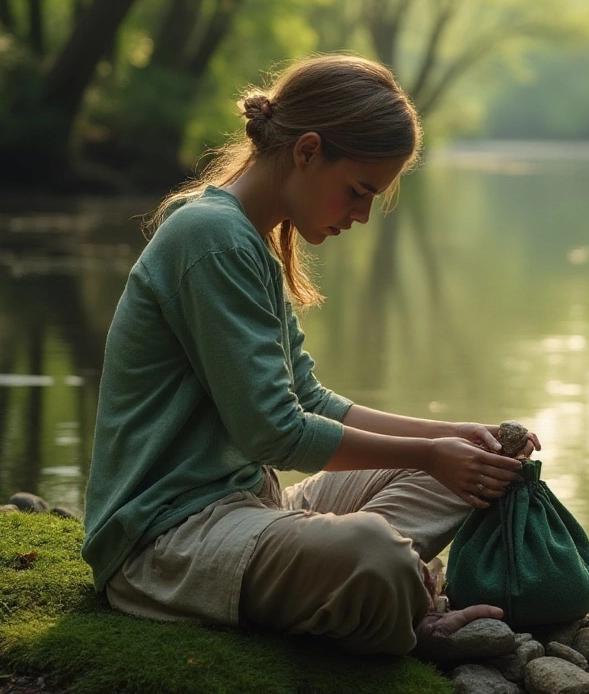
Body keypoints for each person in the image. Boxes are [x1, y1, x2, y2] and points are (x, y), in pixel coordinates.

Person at [81, 54, 538, 657]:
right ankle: (391, 608)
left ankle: (361, 589)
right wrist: (430, 453)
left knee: (476, 475)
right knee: (374, 553)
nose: (362, 215)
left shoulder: (250, 241)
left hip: (252, 506)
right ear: (306, 151)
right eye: (357, 190)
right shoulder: (209, 238)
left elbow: (311, 399)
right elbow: (276, 432)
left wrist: (454, 437)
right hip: (166, 538)